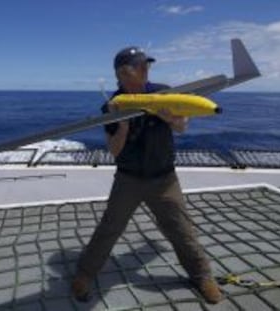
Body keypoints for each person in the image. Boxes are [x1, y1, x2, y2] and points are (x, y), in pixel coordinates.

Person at [71, 47, 223, 304]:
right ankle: (84, 275)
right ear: (122, 73)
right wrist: (122, 125)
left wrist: (170, 119)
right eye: (139, 66)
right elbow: (115, 151)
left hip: (164, 179)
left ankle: (201, 275)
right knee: (109, 228)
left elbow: (183, 128)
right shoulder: (112, 105)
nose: (146, 70)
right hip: (128, 179)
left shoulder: (164, 93)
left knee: (181, 229)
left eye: (146, 66)